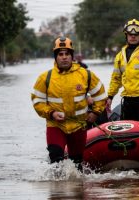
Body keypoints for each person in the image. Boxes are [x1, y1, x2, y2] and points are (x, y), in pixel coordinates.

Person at [31, 37, 107, 170]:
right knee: (55, 159)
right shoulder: (45, 78)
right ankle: (56, 191)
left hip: (79, 126)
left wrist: (95, 113)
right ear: (56, 57)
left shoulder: (86, 75)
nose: (64, 57)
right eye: (60, 54)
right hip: (55, 125)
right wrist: (51, 113)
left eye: (67, 54)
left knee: (77, 164)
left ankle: (78, 190)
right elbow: (37, 101)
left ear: (72, 56)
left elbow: (100, 95)